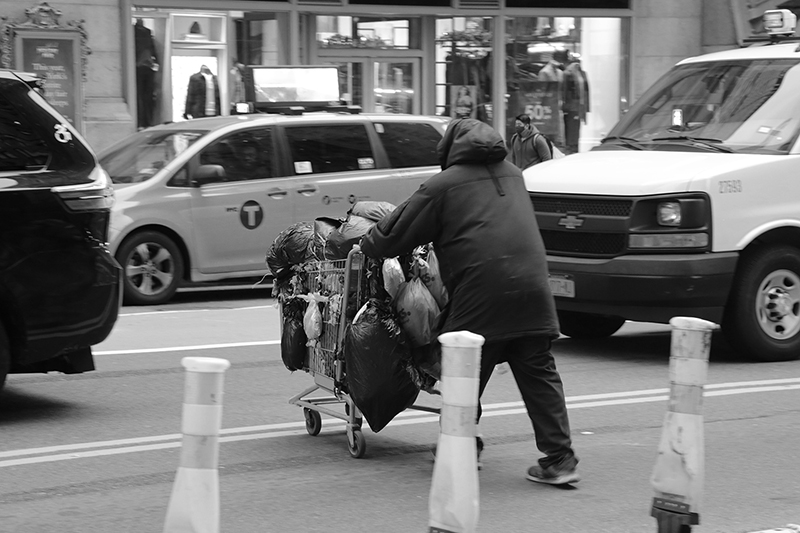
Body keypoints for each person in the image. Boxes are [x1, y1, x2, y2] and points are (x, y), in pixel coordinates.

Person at [359, 118, 580, 485]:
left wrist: (365, 242)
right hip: (533, 288)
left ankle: (459, 445)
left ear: (448, 150)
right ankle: (560, 459)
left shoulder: (443, 185)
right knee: (537, 371)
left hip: (482, 291)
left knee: (464, 369)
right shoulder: (513, 174)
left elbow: (392, 236)